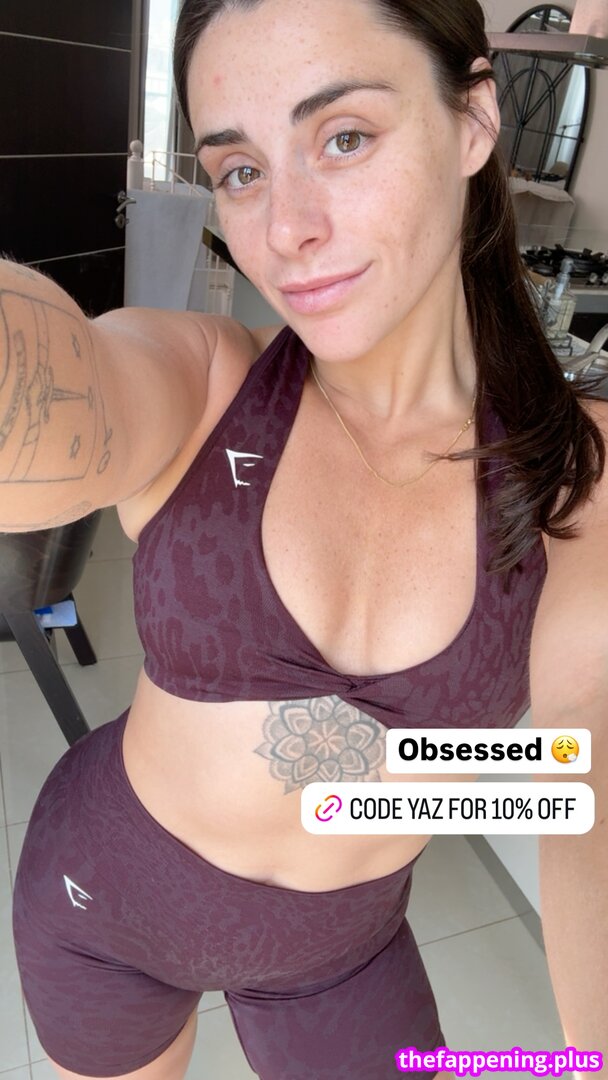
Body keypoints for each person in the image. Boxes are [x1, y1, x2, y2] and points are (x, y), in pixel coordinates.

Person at [4, 0, 608, 1077]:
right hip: (101, 898)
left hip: (339, 955)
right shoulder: (209, 384)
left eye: (344, 137)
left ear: (474, 118)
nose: (285, 229)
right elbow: (61, 391)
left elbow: (586, 756)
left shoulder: (577, 466)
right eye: (240, 170)